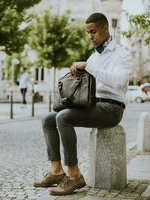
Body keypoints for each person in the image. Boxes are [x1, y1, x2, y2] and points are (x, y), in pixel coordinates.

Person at [33, 13, 132, 196]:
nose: (90, 36)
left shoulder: (121, 53)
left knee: (64, 118)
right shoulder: (94, 56)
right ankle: (56, 172)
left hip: (112, 108)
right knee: (48, 118)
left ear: (105, 28)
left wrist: (88, 66)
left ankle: (74, 176)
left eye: (93, 31)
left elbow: (119, 81)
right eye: (88, 33)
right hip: (91, 105)